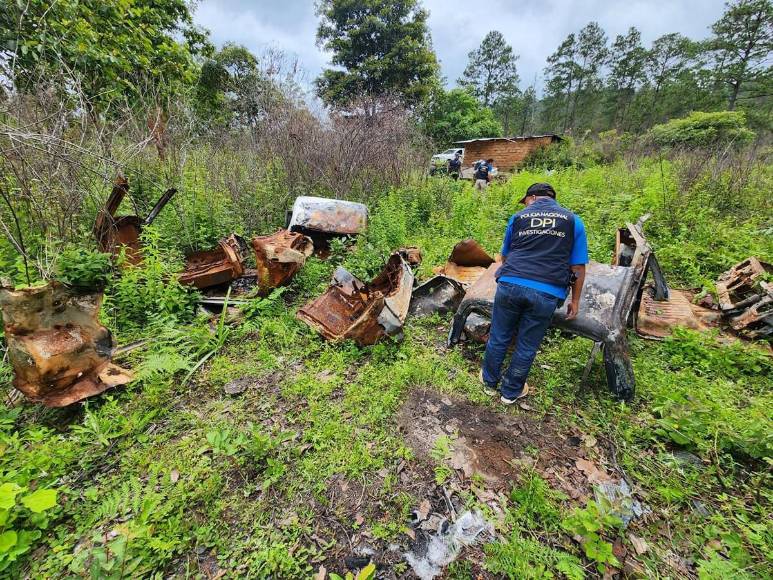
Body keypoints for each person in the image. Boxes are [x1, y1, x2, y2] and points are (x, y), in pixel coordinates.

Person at [480, 182, 588, 404]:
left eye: (526, 200)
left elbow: (505, 257)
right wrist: (575, 301)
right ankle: (510, 393)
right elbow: (577, 268)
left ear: (533, 197)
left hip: (510, 284)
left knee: (499, 336)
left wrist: (511, 277)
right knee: (527, 345)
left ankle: (489, 383)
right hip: (547, 291)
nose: (525, 205)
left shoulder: (518, 218)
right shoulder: (573, 222)